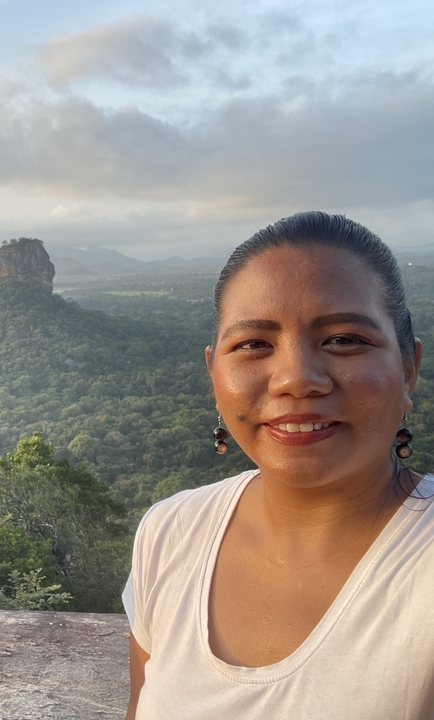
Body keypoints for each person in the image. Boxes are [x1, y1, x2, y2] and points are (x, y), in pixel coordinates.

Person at [123, 211, 434, 718]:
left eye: (344, 339)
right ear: (213, 373)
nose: (296, 378)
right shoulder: (170, 532)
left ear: (408, 367)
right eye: (254, 344)